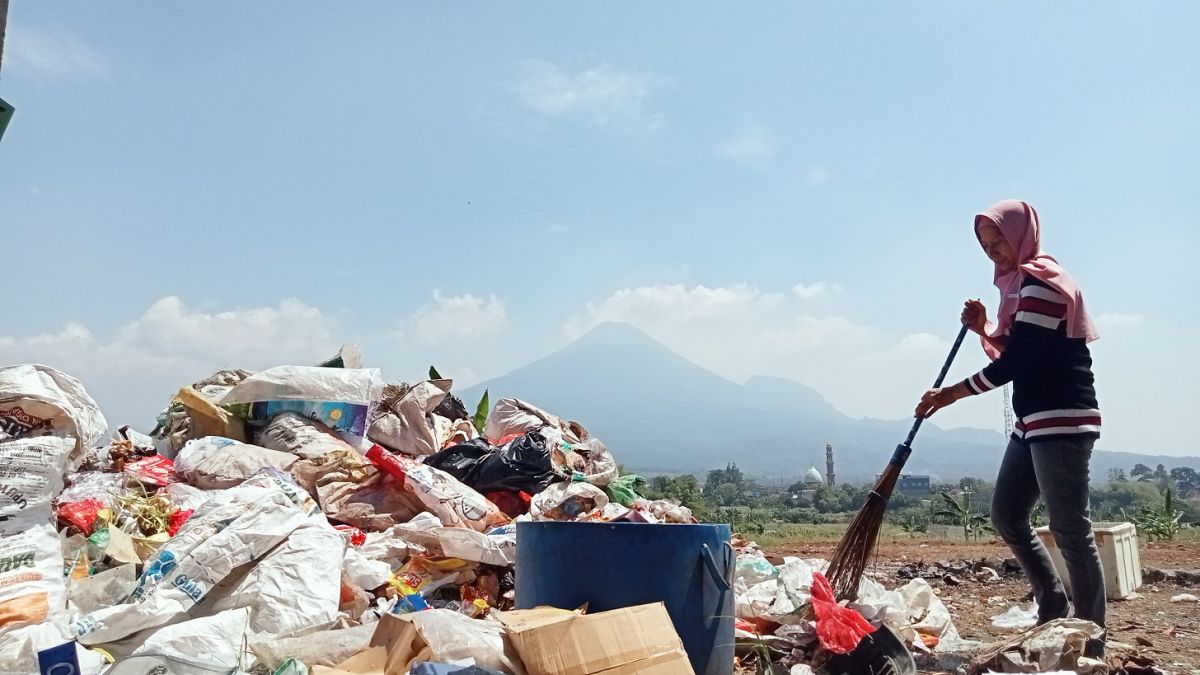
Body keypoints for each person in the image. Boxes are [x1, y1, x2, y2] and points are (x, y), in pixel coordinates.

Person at [914, 199, 1105, 651]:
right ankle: (1053, 605)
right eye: (984, 244)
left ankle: (1091, 637)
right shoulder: (1020, 285)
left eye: (998, 238)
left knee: (1070, 528)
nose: (993, 250)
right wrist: (984, 328)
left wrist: (949, 395)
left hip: (1063, 416)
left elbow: (1017, 361)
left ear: (1021, 232)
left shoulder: (1041, 281)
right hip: (1032, 419)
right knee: (1006, 513)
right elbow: (1019, 346)